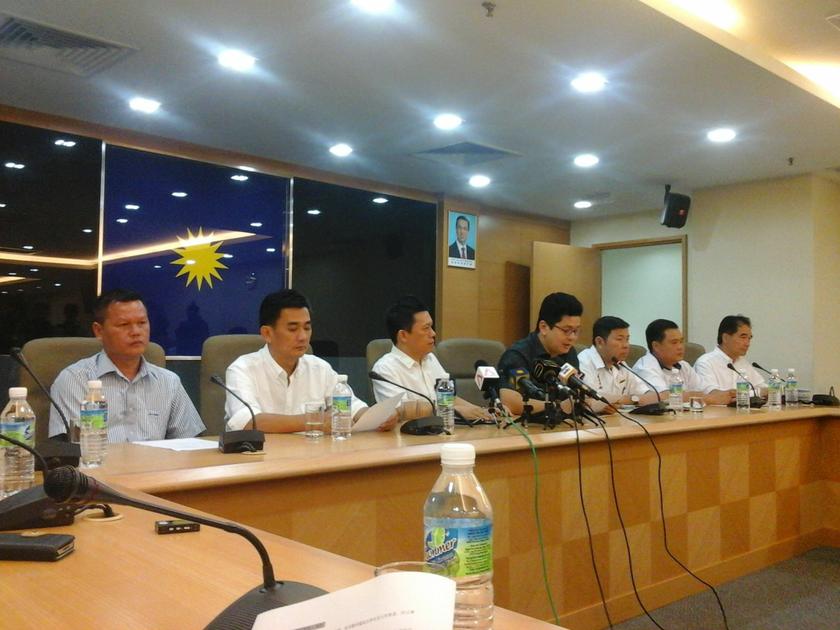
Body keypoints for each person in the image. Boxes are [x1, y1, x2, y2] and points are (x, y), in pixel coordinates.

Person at [225, 289, 398, 433]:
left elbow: (351, 406)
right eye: (293, 329)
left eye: (307, 328)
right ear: (267, 333)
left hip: (311, 457)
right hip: (259, 458)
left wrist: (376, 417)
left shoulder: (319, 367)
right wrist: (314, 421)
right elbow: (248, 421)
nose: (303, 336)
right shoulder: (242, 369)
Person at [49, 289, 205, 442]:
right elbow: (73, 449)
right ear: (99, 331)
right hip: (99, 459)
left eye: (142, 323)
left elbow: (189, 444)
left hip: (157, 460)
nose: (136, 332)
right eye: (124, 324)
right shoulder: (75, 380)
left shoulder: (169, 382)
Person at [371, 296, 490, 421]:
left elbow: (449, 398)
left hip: (442, 429)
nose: (433, 333)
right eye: (426, 328)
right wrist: (453, 411)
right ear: (403, 335)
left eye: (431, 327)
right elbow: (401, 412)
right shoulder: (384, 369)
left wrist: (482, 412)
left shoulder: (430, 359)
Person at [497, 292, 582, 415]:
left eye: (576, 331)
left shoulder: (569, 353)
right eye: (567, 330)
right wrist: (558, 407)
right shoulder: (518, 355)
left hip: (563, 423)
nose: (572, 337)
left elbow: (575, 394)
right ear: (544, 327)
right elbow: (511, 402)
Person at [633, 319, 733, 405]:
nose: (680, 347)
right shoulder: (645, 367)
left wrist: (727, 395)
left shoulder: (683, 365)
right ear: (656, 346)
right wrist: (706, 398)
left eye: (681, 341)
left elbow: (704, 388)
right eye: (674, 342)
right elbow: (666, 398)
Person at [577, 316, 658, 408]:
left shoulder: (621, 364)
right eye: (620, 339)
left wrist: (623, 400)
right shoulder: (583, 362)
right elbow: (590, 402)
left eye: (627, 339)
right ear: (599, 342)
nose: (626, 345)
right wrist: (631, 400)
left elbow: (649, 396)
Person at [694, 315, 767, 393]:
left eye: (749, 338)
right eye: (743, 337)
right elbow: (714, 394)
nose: (747, 343)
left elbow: (763, 387)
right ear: (725, 338)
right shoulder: (705, 363)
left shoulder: (742, 363)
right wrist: (758, 393)